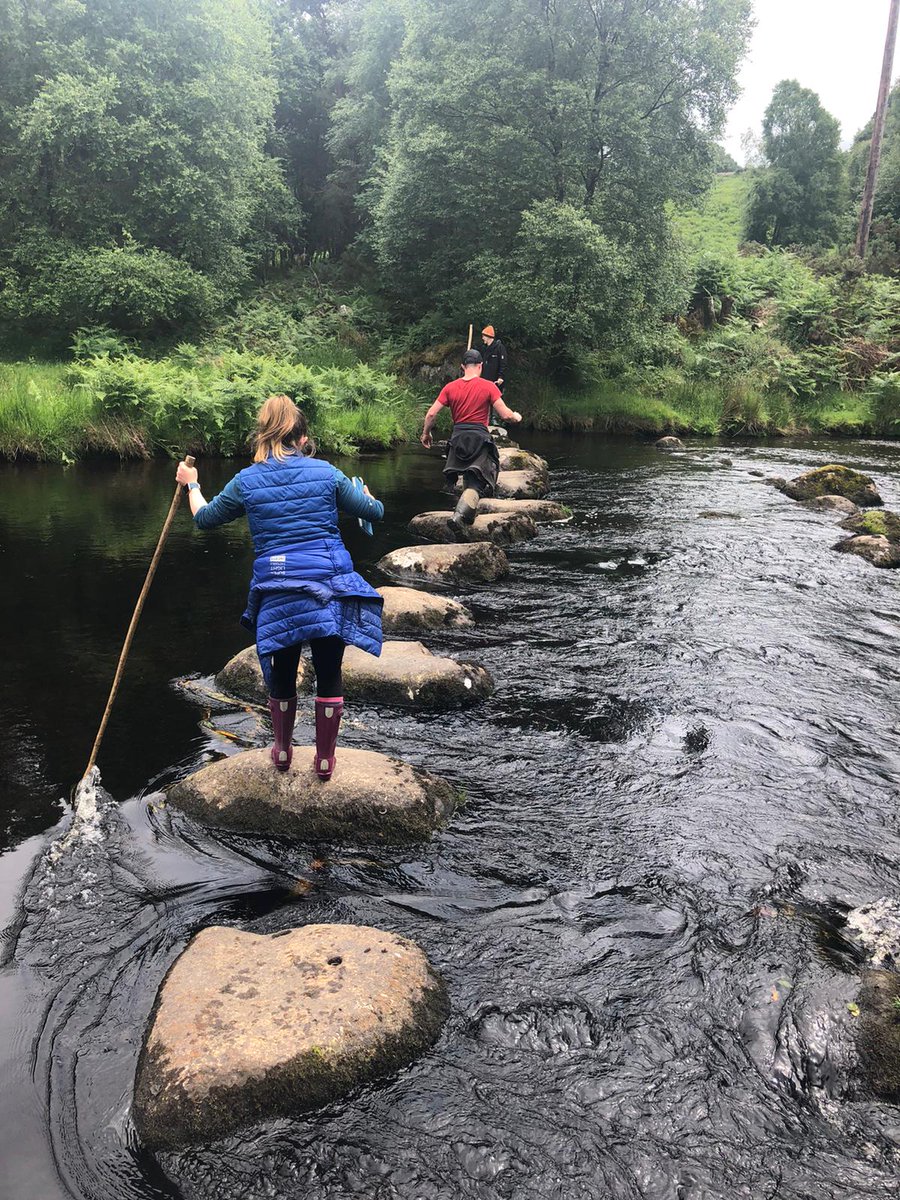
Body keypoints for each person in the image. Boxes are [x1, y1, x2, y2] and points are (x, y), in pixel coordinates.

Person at [175, 394, 384, 781]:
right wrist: (369, 497)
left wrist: (192, 485)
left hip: (278, 586)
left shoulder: (247, 481)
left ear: (262, 435)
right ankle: (325, 760)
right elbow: (374, 513)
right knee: (329, 670)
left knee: (284, 671)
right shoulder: (328, 473)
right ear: (303, 438)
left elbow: (204, 518)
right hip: (328, 583)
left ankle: (283, 751)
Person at [420, 348, 522, 527]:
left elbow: (430, 414)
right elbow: (505, 415)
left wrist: (426, 433)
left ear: (462, 367)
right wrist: (516, 416)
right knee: (478, 483)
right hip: (479, 439)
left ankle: (466, 514)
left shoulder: (450, 387)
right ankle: (458, 517)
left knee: (469, 475)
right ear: (480, 366)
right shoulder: (488, 386)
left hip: (457, 439)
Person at [480, 325, 507, 392]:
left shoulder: (499, 348)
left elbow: (503, 364)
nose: (482, 338)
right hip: (484, 382)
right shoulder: (484, 348)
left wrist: (500, 377)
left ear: (488, 336)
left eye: (484, 336)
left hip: (495, 383)